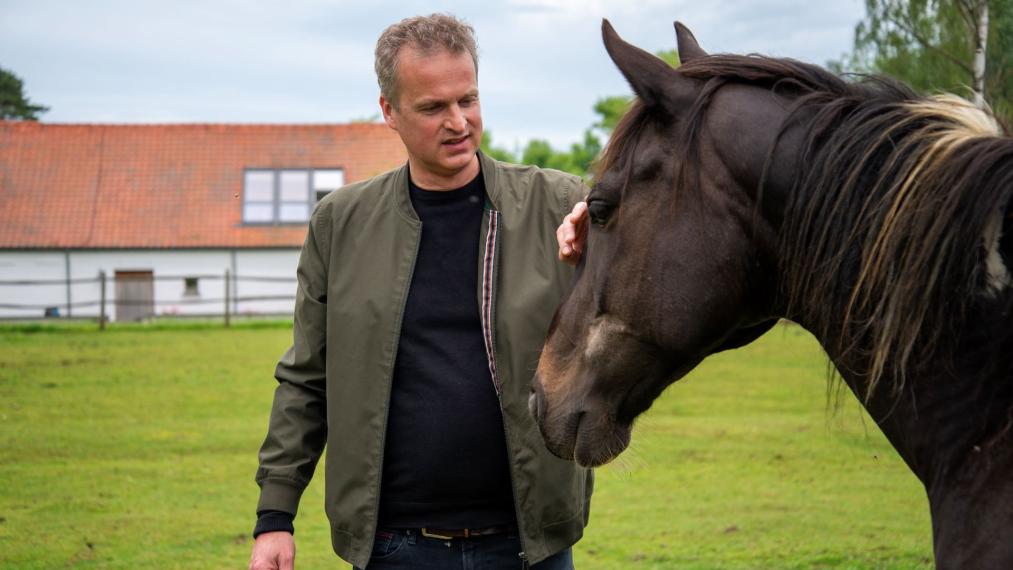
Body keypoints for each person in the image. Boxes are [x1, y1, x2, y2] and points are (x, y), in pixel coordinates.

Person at [248, 13, 593, 570]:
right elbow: (307, 377)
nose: (458, 122)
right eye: (433, 107)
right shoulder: (340, 223)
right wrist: (275, 517)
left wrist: (604, 238)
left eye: (468, 99)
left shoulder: (560, 206)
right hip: (395, 546)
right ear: (388, 110)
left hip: (532, 543)